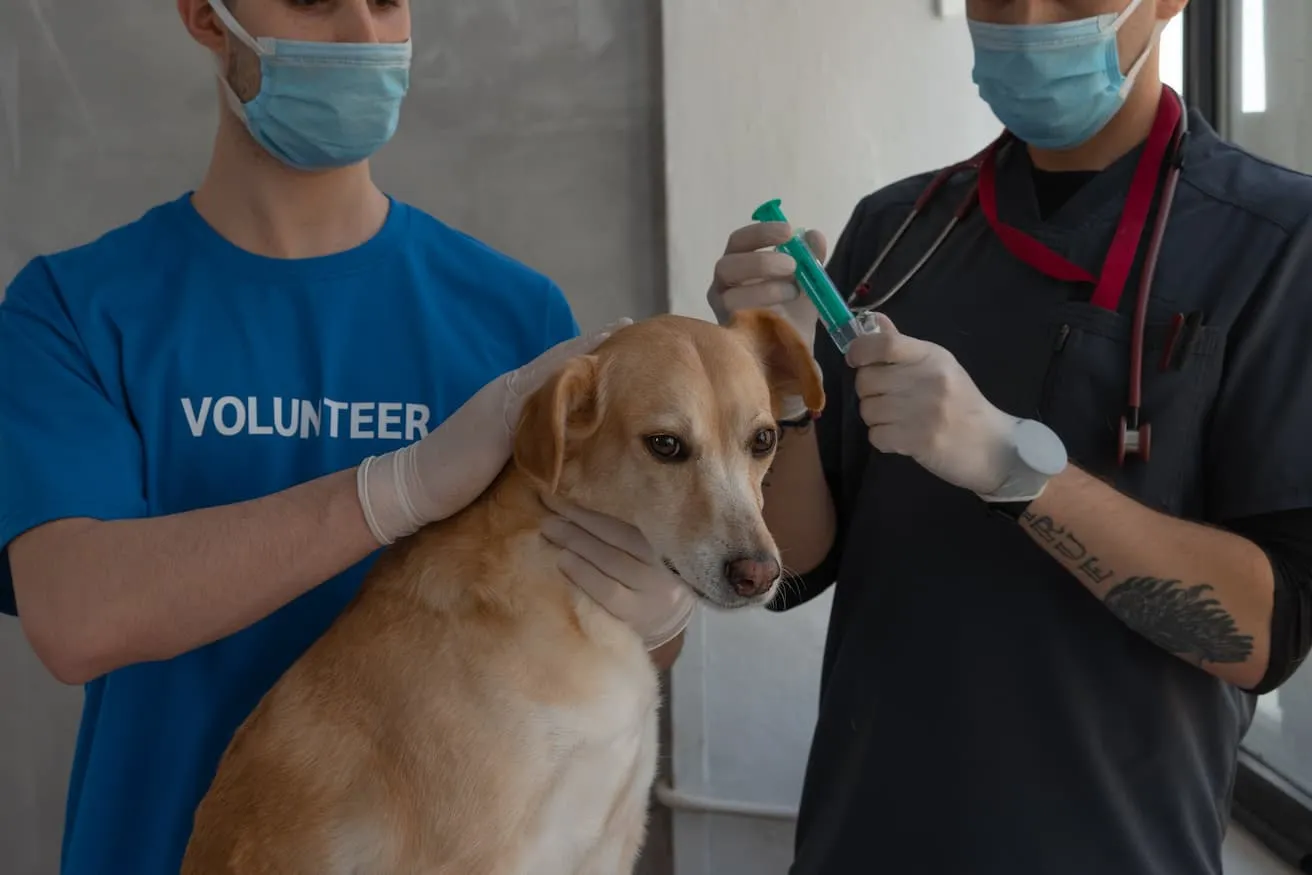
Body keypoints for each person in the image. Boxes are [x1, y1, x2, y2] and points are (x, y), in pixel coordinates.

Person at [0, 1, 694, 873]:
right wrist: (395, 488)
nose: (367, 39)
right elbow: (77, 617)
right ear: (205, 17)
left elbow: (588, 635)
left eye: (388, 2)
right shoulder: (75, 310)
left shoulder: (517, 324)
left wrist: (659, 611)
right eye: (316, 0)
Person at [704, 0, 1312, 872]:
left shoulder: (1278, 244)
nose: (1028, 19)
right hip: (866, 837)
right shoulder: (897, 231)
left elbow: (1263, 631)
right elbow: (793, 565)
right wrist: (775, 386)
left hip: (1114, 844)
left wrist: (1009, 465)